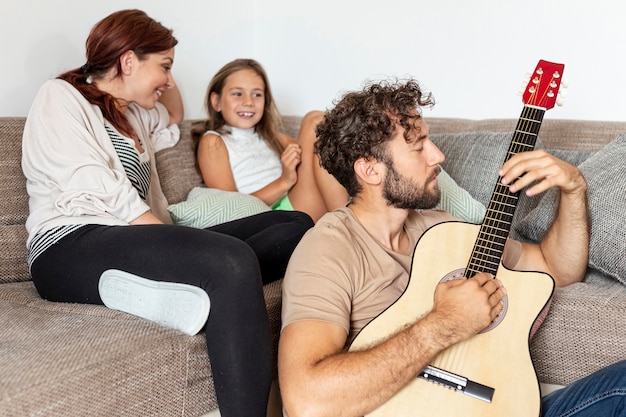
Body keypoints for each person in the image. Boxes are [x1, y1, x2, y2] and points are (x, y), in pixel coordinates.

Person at [21, 9, 313, 417]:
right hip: (69, 248)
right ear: (127, 61)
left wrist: (154, 63)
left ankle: (182, 289)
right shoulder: (61, 96)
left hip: (128, 242)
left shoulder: (133, 113)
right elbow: (102, 188)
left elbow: (173, 113)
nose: (171, 80)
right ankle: (209, 287)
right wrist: (172, 238)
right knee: (231, 262)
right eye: (165, 67)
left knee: (297, 224)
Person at [278, 78, 626, 417]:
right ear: (369, 169)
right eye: (418, 147)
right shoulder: (327, 249)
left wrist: (574, 190)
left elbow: (558, 269)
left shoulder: (443, 229)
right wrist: (445, 323)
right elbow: (306, 403)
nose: (438, 155)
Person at [193, 58, 348, 222]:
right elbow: (231, 210)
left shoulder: (268, 136)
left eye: (257, 94)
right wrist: (284, 181)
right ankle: (352, 228)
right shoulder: (213, 142)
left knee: (318, 126)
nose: (248, 102)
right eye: (237, 94)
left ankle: (351, 220)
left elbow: (315, 155)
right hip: (275, 215)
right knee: (314, 122)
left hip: (296, 200)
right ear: (216, 101)